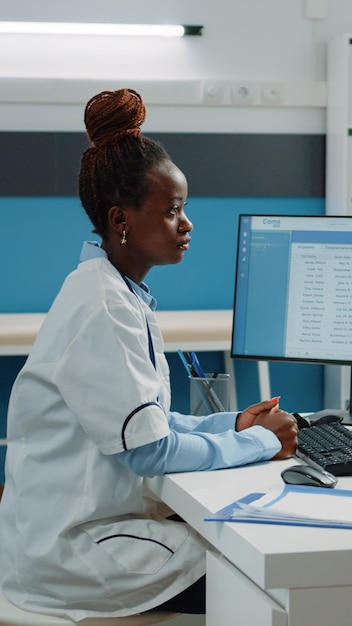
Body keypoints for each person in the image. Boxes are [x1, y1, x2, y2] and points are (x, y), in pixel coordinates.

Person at [0, 88, 298, 620]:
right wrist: (255, 442)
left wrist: (231, 426)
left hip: (82, 529)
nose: (187, 224)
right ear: (122, 219)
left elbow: (148, 424)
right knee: (268, 577)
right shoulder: (103, 307)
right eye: (174, 210)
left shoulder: (114, 292)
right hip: (76, 554)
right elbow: (149, 452)